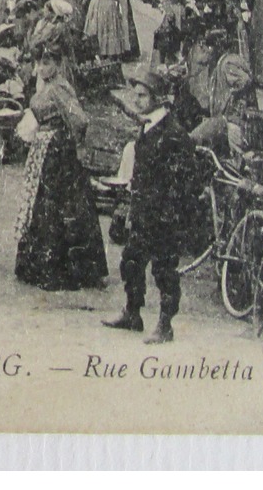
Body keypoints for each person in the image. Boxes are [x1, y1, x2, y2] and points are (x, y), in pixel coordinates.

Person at [103, 71, 198, 343]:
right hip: (145, 210)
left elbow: (187, 179)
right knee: (131, 260)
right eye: (136, 94)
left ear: (158, 99)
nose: (137, 99)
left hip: (165, 215)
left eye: (142, 95)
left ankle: (165, 325)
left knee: (164, 270)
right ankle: (132, 313)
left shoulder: (173, 133)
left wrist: (173, 212)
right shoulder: (147, 125)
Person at [13, 43, 108, 291]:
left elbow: (80, 119)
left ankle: (63, 268)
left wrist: (76, 143)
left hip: (58, 151)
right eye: (39, 63)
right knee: (44, 205)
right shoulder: (46, 85)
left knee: (59, 206)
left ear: (57, 63)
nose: (42, 68)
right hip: (45, 148)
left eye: (47, 63)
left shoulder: (60, 87)